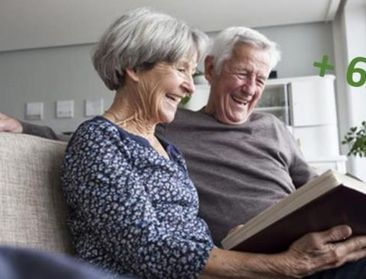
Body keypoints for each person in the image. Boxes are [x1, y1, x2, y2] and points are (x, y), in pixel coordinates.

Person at [1, 19, 366, 278]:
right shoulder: (113, 139)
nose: (189, 88)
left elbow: (315, 186)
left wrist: (242, 242)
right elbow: (149, 247)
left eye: (260, 79)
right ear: (133, 67)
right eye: (181, 70)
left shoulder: (166, 147)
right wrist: (285, 266)